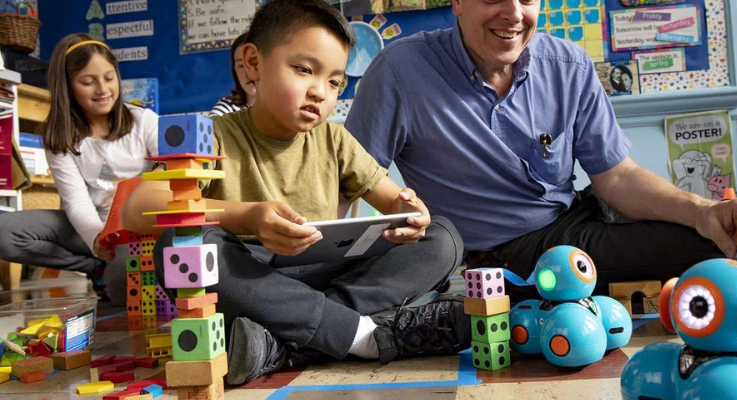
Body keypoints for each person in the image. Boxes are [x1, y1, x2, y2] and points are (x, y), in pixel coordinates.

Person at [346, 0, 737, 300]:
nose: (513, 14)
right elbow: (351, 177)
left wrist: (699, 207)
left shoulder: (568, 63)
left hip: (578, 215)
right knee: (736, 248)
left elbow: (617, 177)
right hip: (513, 254)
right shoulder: (399, 71)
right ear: (458, 2)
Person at [123, 0, 469, 387]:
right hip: (253, 277)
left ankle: (283, 344)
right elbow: (138, 209)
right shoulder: (215, 134)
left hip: (323, 276)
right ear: (253, 64)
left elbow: (395, 201)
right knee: (179, 244)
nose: (320, 91)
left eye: (335, 81)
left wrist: (411, 212)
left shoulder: (335, 138)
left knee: (443, 238)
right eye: (304, 69)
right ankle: (362, 336)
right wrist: (246, 216)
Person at [0, 34, 158, 299]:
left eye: (109, 78)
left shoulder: (144, 121)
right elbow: (76, 203)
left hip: (138, 229)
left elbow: (166, 175)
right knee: (3, 232)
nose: (103, 89)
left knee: (125, 291)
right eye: (88, 82)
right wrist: (97, 239)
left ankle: (109, 273)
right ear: (68, 86)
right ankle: (95, 268)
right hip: (93, 227)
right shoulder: (61, 138)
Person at [208, 32, 257, 117]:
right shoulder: (225, 110)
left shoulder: (284, 105)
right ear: (235, 70)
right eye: (241, 65)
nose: (248, 73)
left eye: (254, 63)